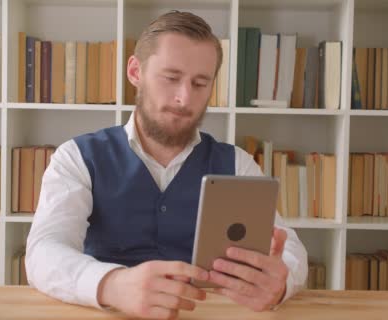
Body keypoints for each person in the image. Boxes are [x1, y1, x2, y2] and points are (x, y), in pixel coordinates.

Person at [26, 10, 308, 320]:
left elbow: (290, 249)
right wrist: (113, 284)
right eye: (171, 78)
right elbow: (43, 252)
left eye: (200, 83)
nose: (184, 98)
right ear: (135, 72)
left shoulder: (237, 163)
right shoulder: (77, 157)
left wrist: (280, 283)